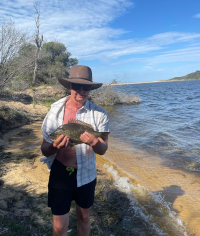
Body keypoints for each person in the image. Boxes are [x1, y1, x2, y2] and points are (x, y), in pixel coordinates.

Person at [41, 65, 109, 236]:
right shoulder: (54, 112)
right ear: (69, 87)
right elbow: (44, 150)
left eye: (85, 87)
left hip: (86, 173)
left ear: (90, 89)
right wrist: (54, 146)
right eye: (76, 86)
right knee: (59, 227)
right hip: (60, 174)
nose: (81, 90)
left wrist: (94, 142)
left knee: (84, 217)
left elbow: (102, 149)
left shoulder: (99, 114)